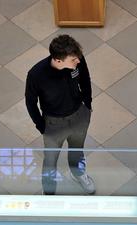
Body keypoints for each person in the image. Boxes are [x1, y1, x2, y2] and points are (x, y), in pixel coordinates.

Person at [25, 34, 96, 195]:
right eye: (73, 60)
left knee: (77, 151)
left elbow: (85, 80)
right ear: (58, 60)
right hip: (53, 124)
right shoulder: (36, 74)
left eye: (77, 58)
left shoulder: (77, 58)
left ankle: (78, 173)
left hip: (79, 117)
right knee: (50, 161)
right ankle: (49, 192)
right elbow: (30, 102)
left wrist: (87, 105)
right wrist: (42, 126)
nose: (78, 61)